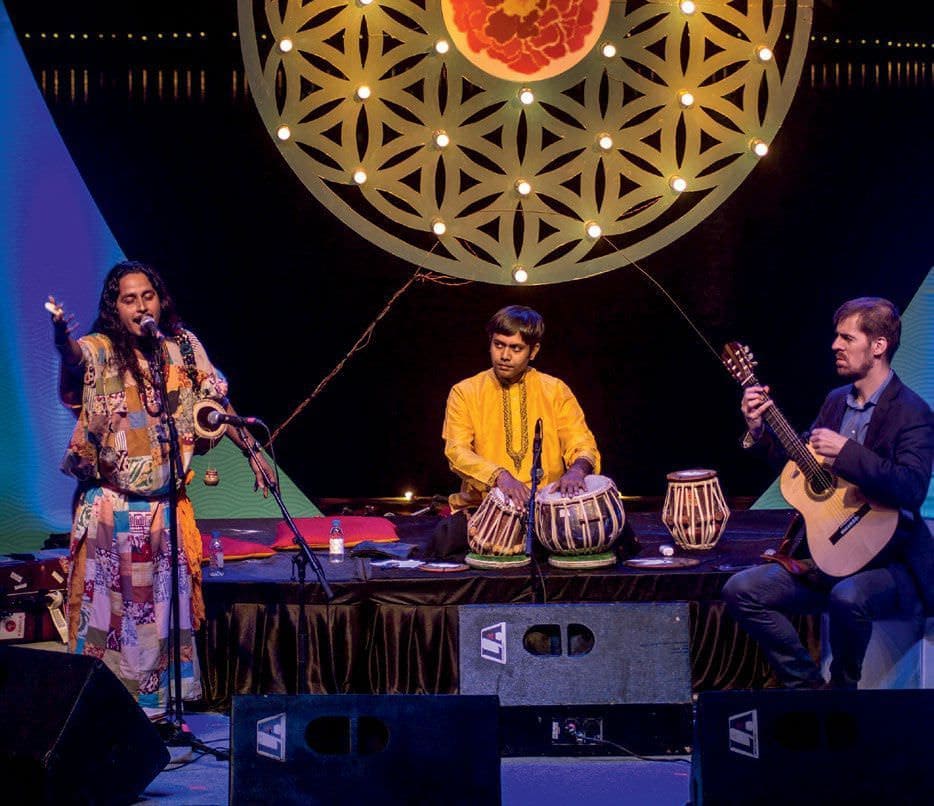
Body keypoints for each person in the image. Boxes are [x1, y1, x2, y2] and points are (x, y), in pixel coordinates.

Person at [50, 260, 274, 718]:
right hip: (114, 510)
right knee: (111, 621)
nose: (139, 305)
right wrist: (60, 338)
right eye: (128, 299)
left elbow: (215, 404)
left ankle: (158, 713)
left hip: (165, 512)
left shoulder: (183, 348)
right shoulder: (104, 349)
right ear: (114, 307)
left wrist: (252, 450)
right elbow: (77, 359)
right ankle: (105, 712)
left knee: (161, 618)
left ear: (160, 299)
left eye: (146, 296)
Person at [722, 297, 934, 689]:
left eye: (846, 337)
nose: (835, 345)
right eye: (836, 336)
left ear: (878, 346)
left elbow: (911, 488)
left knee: (848, 597)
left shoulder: (912, 411)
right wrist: (759, 429)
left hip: (892, 564)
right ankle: (807, 688)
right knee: (741, 589)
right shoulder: (837, 402)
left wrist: (848, 454)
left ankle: (843, 692)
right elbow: (801, 470)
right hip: (830, 555)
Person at [442, 305, 600, 513]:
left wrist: (577, 471)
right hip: (483, 507)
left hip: (547, 506)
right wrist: (500, 476)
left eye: (516, 348)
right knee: (445, 541)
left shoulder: (555, 390)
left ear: (533, 351)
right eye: (498, 345)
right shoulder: (465, 392)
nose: (505, 355)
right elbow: (456, 451)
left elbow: (581, 442)